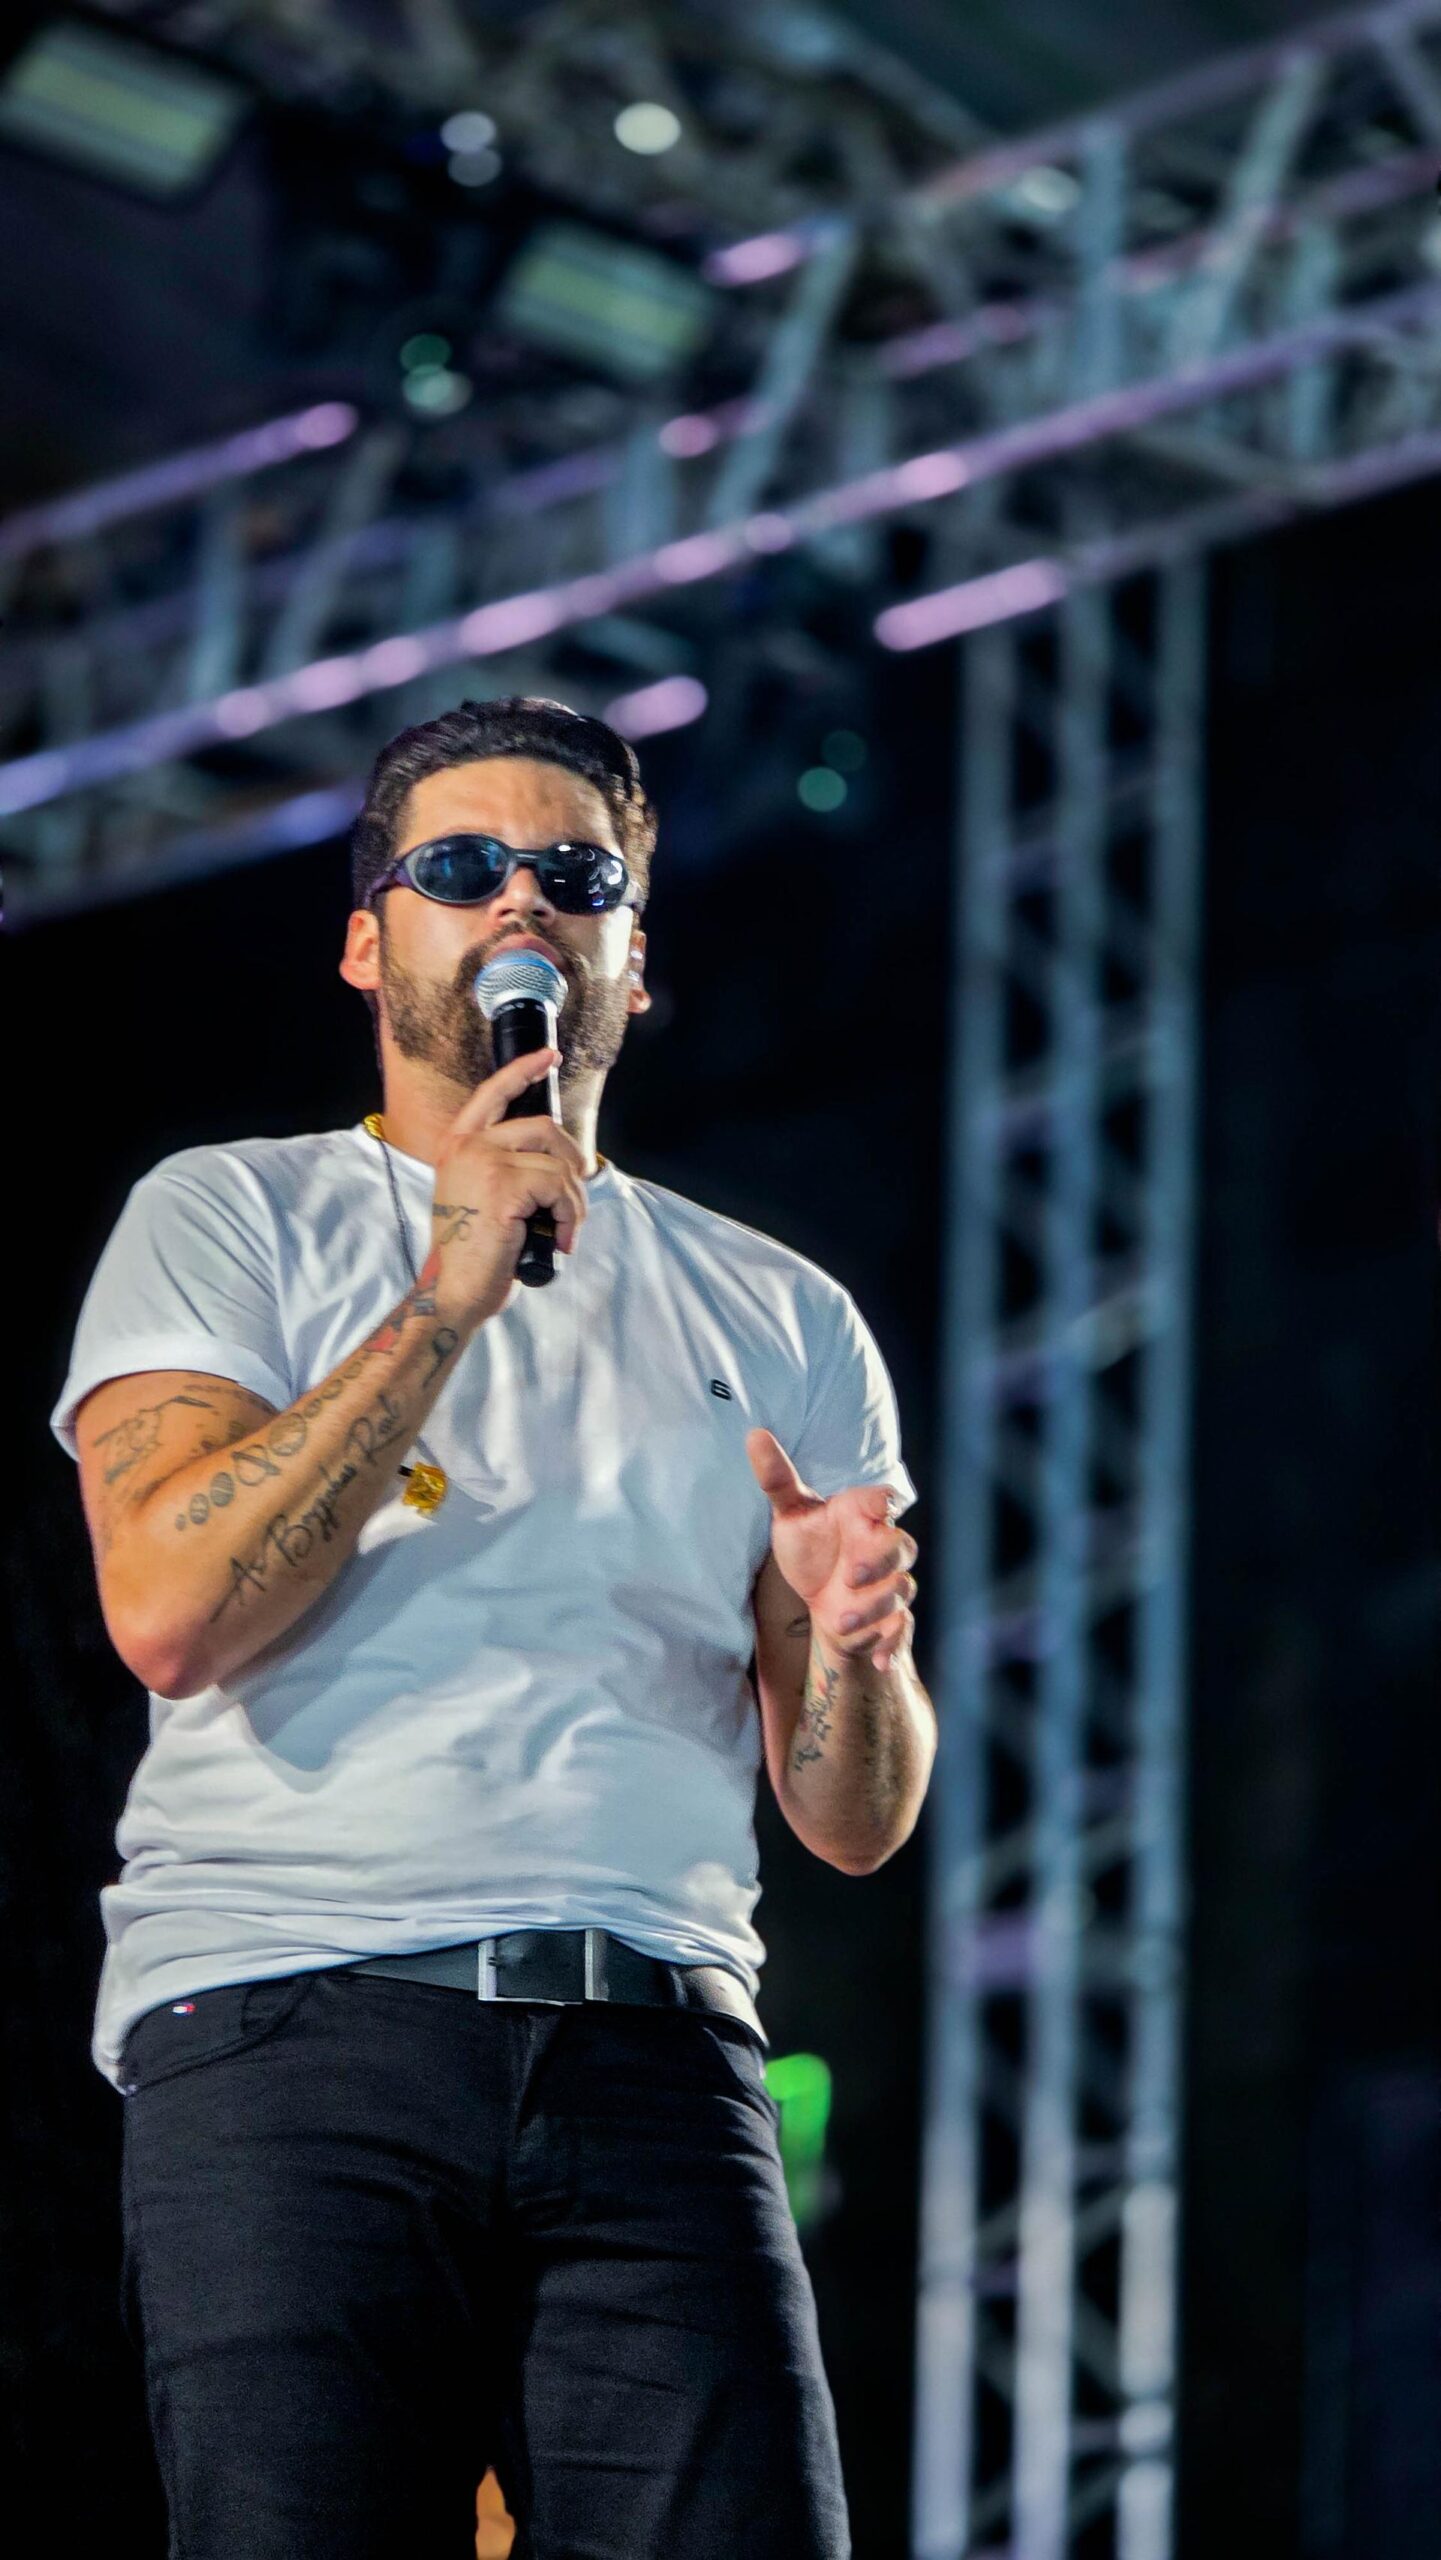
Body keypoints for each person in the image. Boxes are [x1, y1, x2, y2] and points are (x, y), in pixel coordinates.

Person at [52, 694, 934, 2560]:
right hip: (298, 2023)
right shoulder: (233, 1216)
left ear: (634, 959)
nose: (521, 901)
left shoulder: (782, 1312)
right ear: (368, 939)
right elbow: (171, 1612)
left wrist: (854, 1647)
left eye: (574, 878)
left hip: (660, 2043)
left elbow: (853, 1818)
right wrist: (449, 1288)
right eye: (461, 867)